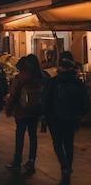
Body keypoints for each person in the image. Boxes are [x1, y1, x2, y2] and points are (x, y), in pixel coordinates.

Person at [42, 51, 90, 185]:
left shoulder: (54, 82)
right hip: (72, 118)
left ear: (60, 66)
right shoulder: (78, 83)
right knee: (69, 144)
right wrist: (80, 114)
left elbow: (45, 100)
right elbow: (85, 102)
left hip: (55, 119)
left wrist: (46, 114)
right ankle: (68, 166)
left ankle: (64, 166)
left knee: (57, 143)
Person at [4, 54, 43, 173]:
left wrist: (8, 110)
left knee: (19, 137)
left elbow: (13, 95)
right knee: (33, 136)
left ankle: (17, 161)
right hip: (35, 111)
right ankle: (31, 161)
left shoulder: (20, 78)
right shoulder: (39, 76)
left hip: (21, 112)